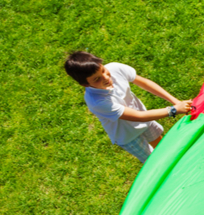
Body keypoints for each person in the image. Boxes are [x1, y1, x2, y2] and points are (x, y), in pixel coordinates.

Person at [63, 52, 193, 163]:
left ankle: (178, 162)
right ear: (85, 84)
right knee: (154, 161)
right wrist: (174, 109)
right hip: (128, 136)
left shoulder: (115, 68)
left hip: (146, 120)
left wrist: (175, 101)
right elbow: (138, 117)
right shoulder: (97, 102)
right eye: (97, 79)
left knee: (162, 145)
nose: (106, 77)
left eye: (103, 70)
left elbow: (145, 83)